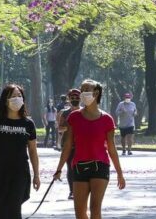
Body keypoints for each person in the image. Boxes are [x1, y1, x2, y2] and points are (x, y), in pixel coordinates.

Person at [54, 79, 125, 219]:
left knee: (95, 209)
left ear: (96, 93)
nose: (84, 93)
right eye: (82, 90)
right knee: (79, 212)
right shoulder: (74, 117)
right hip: (80, 166)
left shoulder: (107, 119)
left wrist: (119, 173)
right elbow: (67, 145)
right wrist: (59, 168)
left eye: (87, 89)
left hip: (100, 166)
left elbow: (111, 148)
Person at [0, 84, 41, 219]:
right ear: (5, 100)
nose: (17, 98)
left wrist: (36, 175)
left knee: (15, 209)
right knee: (1, 209)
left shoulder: (28, 124)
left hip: (20, 173)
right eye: (13, 96)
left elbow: (33, 151)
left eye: (19, 96)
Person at [57, 88, 82, 199]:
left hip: (82, 145)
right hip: (68, 144)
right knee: (70, 168)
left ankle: (81, 190)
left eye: (77, 97)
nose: (75, 99)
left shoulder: (84, 112)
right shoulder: (64, 113)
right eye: (72, 98)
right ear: (69, 99)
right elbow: (60, 129)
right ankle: (72, 191)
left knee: (80, 168)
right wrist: (68, 129)